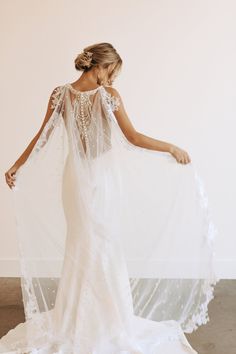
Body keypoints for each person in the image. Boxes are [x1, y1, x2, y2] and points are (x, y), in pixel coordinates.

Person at [2, 42, 217, 353]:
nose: (113, 79)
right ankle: (94, 320)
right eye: (112, 71)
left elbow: (42, 137)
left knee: (93, 243)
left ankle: (90, 318)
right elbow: (133, 137)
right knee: (92, 243)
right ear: (99, 67)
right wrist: (171, 146)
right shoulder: (96, 96)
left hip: (78, 179)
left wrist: (18, 165)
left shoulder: (63, 93)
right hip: (95, 179)